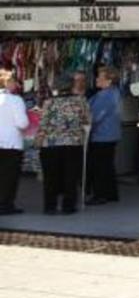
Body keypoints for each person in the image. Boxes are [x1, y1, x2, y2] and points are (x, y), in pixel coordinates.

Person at [37, 72, 90, 215]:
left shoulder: (49, 102)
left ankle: (50, 207)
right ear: (72, 85)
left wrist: (38, 141)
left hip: (50, 144)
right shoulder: (81, 101)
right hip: (73, 143)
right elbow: (87, 121)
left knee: (50, 177)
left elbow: (43, 124)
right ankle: (68, 206)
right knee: (70, 176)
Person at [86, 67, 122, 205]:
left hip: (102, 135)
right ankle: (111, 193)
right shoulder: (114, 93)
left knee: (99, 166)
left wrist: (86, 124)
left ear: (109, 80)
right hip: (111, 134)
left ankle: (100, 195)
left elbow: (95, 116)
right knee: (107, 165)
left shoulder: (105, 95)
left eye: (100, 77)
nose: (96, 79)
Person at [0, 70, 30, 215]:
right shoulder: (15, 100)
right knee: (9, 176)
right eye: (13, 81)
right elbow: (22, 123)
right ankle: (6, 205)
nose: (16, 84)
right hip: (11, 143)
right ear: (7, 82)